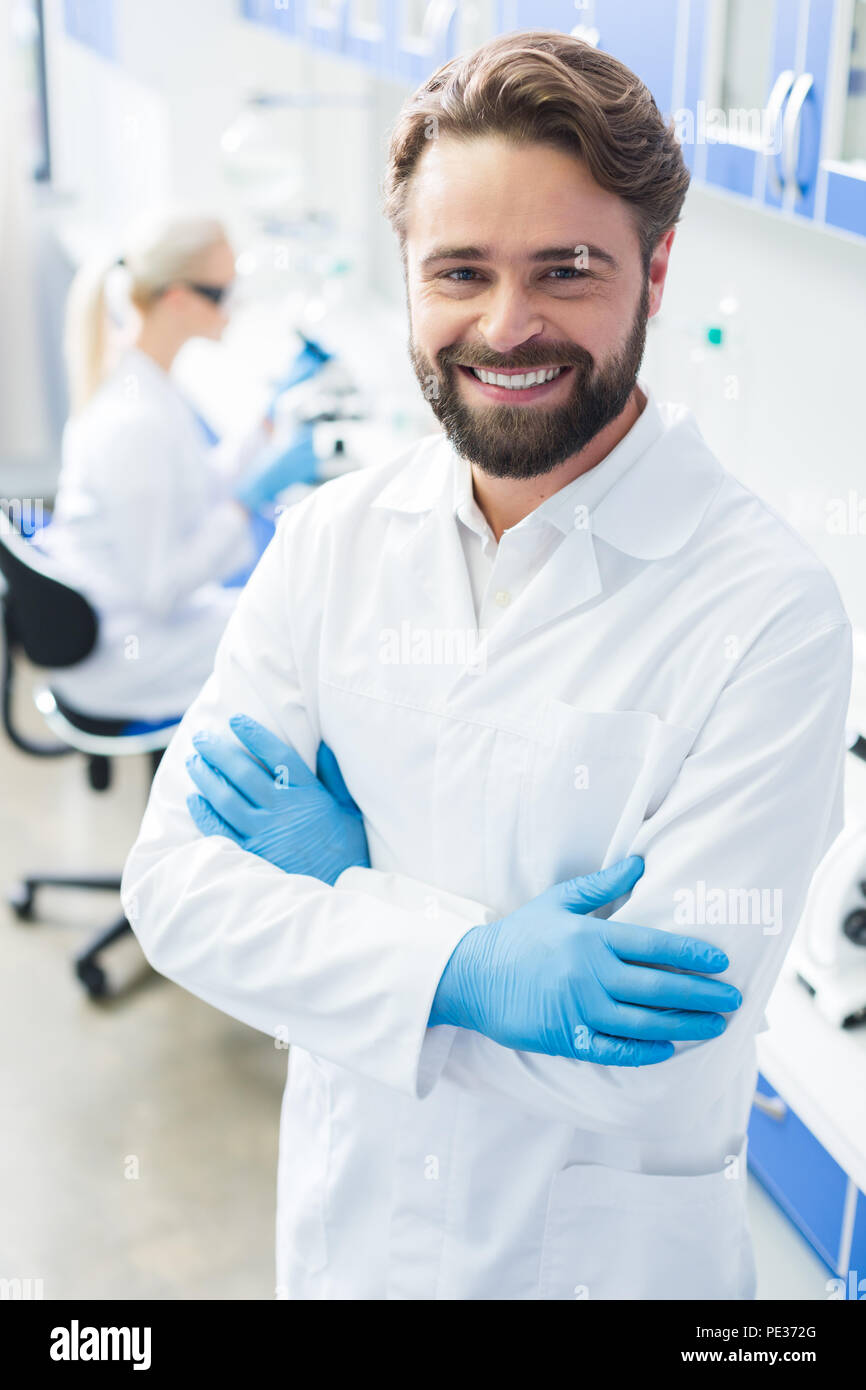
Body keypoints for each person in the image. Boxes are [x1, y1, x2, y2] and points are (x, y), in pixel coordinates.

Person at [121, 32, 851, 1300]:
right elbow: (178, 890)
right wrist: (473, 973)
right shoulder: (331, 546)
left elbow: (645, 1061)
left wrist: (349, 888)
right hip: (349, 1251)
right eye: (459, 270)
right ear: (409, 271)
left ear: (654, 269)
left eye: (563, 270)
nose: (505, 325)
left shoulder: (766, 611)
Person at [34, 211, 319, 723]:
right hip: (123, 651)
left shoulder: (140, 378)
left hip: (127, 613)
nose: (234, 307)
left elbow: (185, 486)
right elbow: (162, 589)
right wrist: (245, 501)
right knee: (293, 644)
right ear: (179, 299)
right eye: (223, 293)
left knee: (285, 626)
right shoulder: (134, 420)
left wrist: (266, 424)